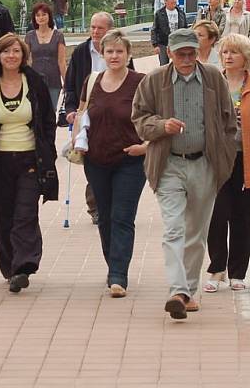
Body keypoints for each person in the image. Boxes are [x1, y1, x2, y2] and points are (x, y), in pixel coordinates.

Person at [132, 28, 237, 320]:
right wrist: (161, 126)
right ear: (169, 54)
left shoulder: (214, 78)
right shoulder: (154, 80)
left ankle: (188, 292)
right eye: (181, 54)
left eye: (191, 53)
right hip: (169, 165)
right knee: (173, 229)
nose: (188, 59)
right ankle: (178, 290)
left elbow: (229, 121)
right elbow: (139, 119)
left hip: (205, 164)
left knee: (196, 233)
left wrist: (224, 157)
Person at [0, 34, 58, 293]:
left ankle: (24, 265)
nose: (11, 56)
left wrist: (48, 152)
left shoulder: (36, 83)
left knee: (25, 212)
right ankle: (10, 266)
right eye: (5, 52)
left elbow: (47, 120)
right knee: (3, 215)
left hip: (30, 159)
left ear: (24, 55)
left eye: (16, 51)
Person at [204, 34, 250, 293]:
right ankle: (216, 268)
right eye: (225, 52)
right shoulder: (213, 84)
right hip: (217, 161)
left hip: (246, 160)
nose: (228, 57)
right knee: (216, 215)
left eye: (234, 53)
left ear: (246, 58)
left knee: (241, 216)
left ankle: (238, 272)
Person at [79, 30, 146, 298]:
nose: (114, 56)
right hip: (96, 160)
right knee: (105, 218)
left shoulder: (140, 82)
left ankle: (119, 275)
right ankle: (113, 265)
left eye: (119, 51)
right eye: (109, 51)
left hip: (130, 160)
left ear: (129, 55)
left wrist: (147, 146)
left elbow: (156, 117)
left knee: (122, 216)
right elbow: (84, 112)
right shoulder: (92, 80)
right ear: (102, 54)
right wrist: (77, 138)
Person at [64, 12, 134, 224]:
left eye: (100, 28)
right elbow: (70, 84)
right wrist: (70, 110)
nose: (95, 32)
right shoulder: (80, 52)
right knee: (93, 161)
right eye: (93, 27)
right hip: (89, 116)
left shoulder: (120, 52)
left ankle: (109, 203)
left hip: (116, 118)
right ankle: (96, 206)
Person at [25, 2, 66, 109]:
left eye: (44, 14)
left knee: (51, 111)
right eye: (38, 15)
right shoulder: (29, 36)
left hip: (53, 79)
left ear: (49, 16)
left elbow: (61, 61)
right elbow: (25, 60)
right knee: (35, 112)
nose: (41, 18)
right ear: (34, 18)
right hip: (35, 80)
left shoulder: (58, 36)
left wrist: (66, 81)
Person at [151, 0, 187, 66]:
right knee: (164, 66)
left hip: (178, 43)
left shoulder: (181, 13)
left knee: (179, 63)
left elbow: (185, 28)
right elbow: (154, 29)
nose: (175, 1)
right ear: (166, 1)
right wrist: (155, 45)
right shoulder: (159, 13)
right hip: (164, 44)